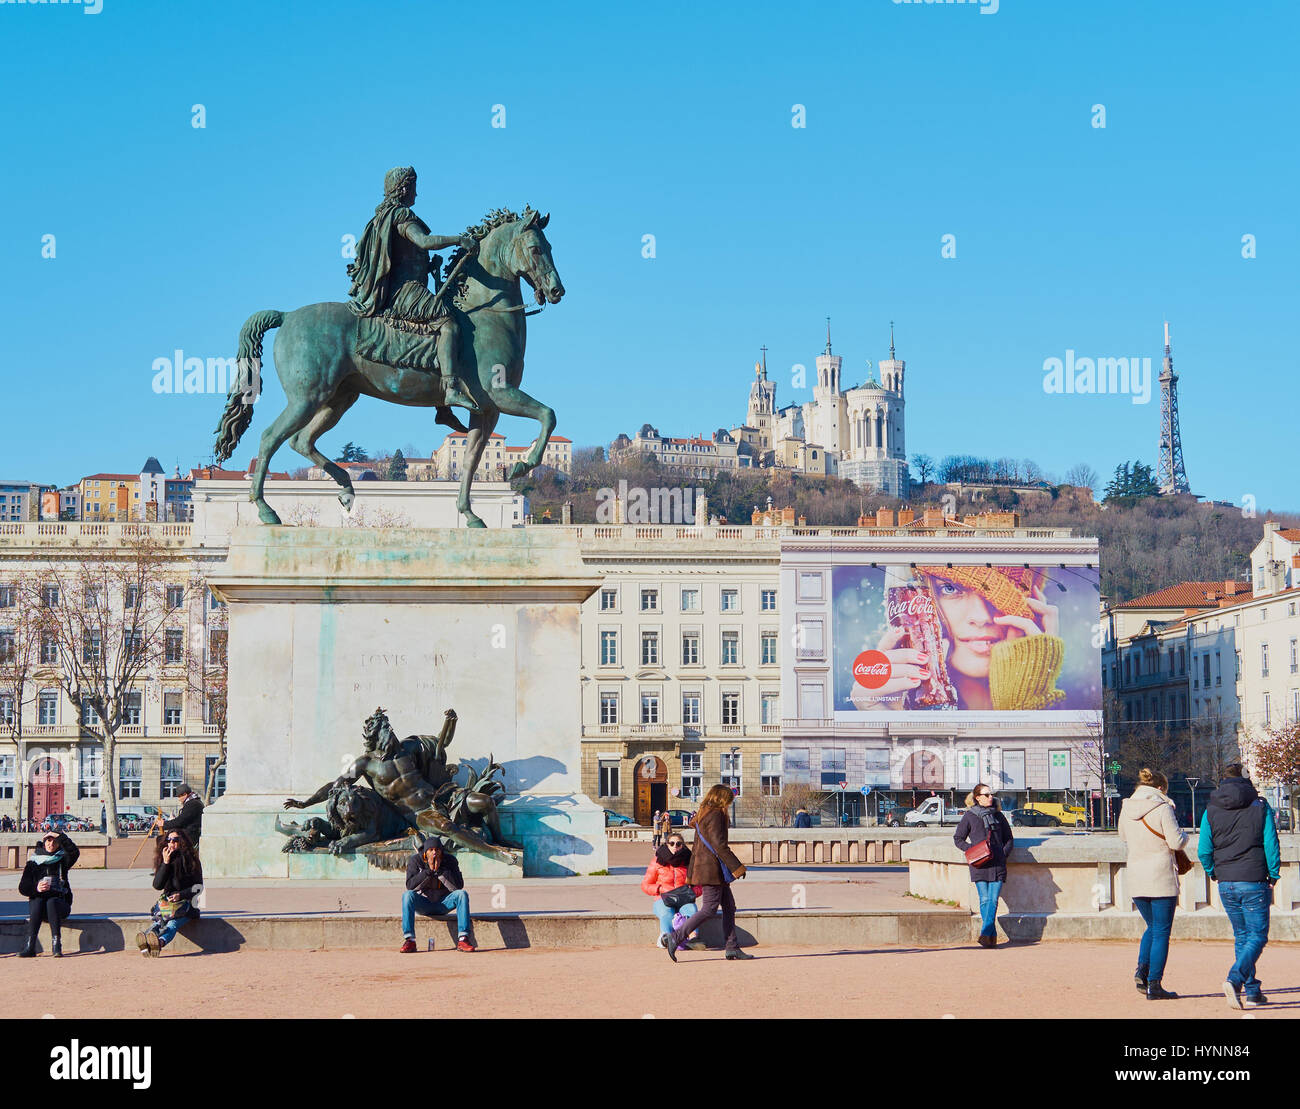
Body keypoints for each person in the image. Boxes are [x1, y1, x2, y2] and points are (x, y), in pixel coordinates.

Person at [347, 165, 480, 425]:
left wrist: (428, 267)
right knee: (448, 324)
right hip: (404, 291)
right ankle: (450, 390)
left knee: (435, 327)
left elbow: (402, 256)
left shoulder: (381, 217)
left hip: (401, 286)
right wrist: (458, 240)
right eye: (415, 187)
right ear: (405, 188)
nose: (417, 195)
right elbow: (423, 241)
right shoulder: (400, 215)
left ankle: (442, 409)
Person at [850, 566, 1067, 712]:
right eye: (950, 588)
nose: (981, 617)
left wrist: (1031, 703)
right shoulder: (885, 701)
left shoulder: (1073, 711)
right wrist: (886, 714)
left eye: (1000, 598)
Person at [1197, 764, 1281, 1009]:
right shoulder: (1260, 806)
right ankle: (1234, 980)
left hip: (1226, 882)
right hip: (1254, 879)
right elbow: (1270, 843)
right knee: (1257, 936)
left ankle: (1253, 991)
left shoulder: (1211, 809)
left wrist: (1214, 872)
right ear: (1247, 780)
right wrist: (1273, 874)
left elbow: (1204, 850)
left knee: (1242, 936)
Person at [1118, 768, 1187, 1000]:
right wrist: (1185, 835)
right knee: (1161, 932)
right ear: (1160, 789)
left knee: (1152, 927)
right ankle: (1155, 984)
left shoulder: (1126, 807)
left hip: (1136, 875)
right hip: (1160, 876)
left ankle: (1142, 971)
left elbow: (1123, 836)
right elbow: (1176, 842)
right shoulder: (1163, 807)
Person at [664, 784, 749, 961]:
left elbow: (698, 847)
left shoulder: (704, 814)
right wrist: (737, 867)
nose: (729, 805)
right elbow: (720, 846)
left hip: (708, 868)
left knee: (729, 907)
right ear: (722, 799)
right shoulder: (716, 814)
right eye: (728, 801)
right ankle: (676, 937)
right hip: (712, 870)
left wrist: (692, 873)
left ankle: (732, 947)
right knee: (709, 909)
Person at [952, 784, 1014, 948]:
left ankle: (986, 934)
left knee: (992, 900)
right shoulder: (970, 816)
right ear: (977, 797)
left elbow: (1009, 839)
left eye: (991, 794)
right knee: (985, 899)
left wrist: (1003, 853)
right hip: (979, 864)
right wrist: (972, 850)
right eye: (986, 795)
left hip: (997, 864)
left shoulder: (999, 816)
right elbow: (958, 838)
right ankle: (990, 937)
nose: (990, 797)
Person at [399, 836, 475, 953]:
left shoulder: (450, 861)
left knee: (462, 894)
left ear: (441, 851)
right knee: (407, 895)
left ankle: (463, 938)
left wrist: (440, 872)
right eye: (431, 850)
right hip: (424, 904)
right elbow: (410, 886)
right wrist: (428, 872)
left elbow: (458, 886)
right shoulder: (415, 861)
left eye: (437, 850)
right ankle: (410, 940)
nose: (434, 853)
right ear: (425, 852)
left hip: (444, 903)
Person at [136, 828, 203, 957]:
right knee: (159, 922)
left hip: (187, 904)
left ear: (182, 842)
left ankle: (159, 943)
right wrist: (166, 863)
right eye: (169, 840)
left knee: (172, 923)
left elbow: (199, 887)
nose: (171, 843)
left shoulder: (192, 861)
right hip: (168, 905)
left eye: (175, 840)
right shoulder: (165, 859)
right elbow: (157, 885)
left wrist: (180, 895)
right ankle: (147, 939)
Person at [17, 829, 79, 957]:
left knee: (52, 901)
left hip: (59, 905)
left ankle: (56, 945)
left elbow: (74, 852)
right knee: (38, 900)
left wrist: (60, 836)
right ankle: (30, 946)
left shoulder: (62, 860)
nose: (51, 844)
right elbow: (23, 887)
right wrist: (36, 888)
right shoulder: (32, 863)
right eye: (48, 841)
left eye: (55, 842)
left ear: (59, 844)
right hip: (39, 909)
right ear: (44, 843)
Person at [642, 831, 703, 950]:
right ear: (667, 844)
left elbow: (700, 886)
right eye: (672, 843)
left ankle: (693, 939)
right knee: (667, 913)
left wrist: (692, 893)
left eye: (678, 844)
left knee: (692, 910)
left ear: (682, 846)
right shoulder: (657, 861)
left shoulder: (689, 861)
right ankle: (667, 938)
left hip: (684, 898)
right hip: (663, 898)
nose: (675, 846)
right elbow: (645, 885)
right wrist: (660, 889)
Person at [161, 784, 204, 850]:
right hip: (189, 835)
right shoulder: (194, 802)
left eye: (179, 796)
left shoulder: (192, 804)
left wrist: (164, 824)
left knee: (163, 842)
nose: (179, 799)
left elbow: (181, 821)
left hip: (189, 837)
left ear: (185, 795)